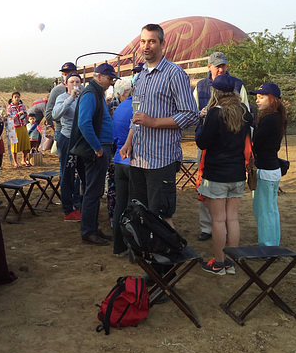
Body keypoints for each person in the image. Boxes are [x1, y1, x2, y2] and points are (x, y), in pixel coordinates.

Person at [120, 24, 199, 228]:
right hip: (138, 158)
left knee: (162, 216)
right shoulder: (140, 77)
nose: (146, 46)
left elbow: (190, 115)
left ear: (162, 43)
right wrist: (129, 141)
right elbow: (136, 115)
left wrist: (154, 122)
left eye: (152, 41)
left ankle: (164, 257)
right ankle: (146, 256)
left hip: (161, 159)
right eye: (143, 41)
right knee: (139, 212)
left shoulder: (175, 74)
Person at [196, 75, 252, 275]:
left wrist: (203, 121)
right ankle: (231, 261)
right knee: (233, 219)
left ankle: (218, 263)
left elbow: (203, 143)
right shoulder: (244, 112)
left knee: (218, 221)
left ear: (216, 92)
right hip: (237, 173)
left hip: (216, 174)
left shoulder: (214, 113)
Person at [193, 52, 250, 242]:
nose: (220, 68)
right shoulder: (200, 86)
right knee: (205, 183)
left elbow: (246, 114)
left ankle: (220, 229)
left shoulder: (238, 84)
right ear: (209, 66)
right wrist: (201, 115)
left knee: (215, 184)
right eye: (217, 65)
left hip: (229, 143)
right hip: (209, 141)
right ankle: (207, 227)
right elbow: (192, 112)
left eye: (223, 65)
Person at [69, 63, 117, 245]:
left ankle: (93, 229)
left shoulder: (95, 93)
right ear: (98, 76)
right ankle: (88, 231)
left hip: (100, 147)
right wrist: (97, 147)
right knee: (92, 191)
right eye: (109, 78)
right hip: (97, 149)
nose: (111, 82)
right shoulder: (90, 94)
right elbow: (84, 123)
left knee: (95, 191)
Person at [250, 82, 287, 247]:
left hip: (266, 168)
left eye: (261, 97)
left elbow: (256, 144)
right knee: (269, 209)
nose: (257, 100)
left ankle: (268, 246)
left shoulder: (270, 119)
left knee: (265, 210)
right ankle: (272, 243)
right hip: (271, 168)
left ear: (272, 99)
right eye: (257, 97)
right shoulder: (275, 117)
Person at [51, 72, 83, 221]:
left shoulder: (84, 97)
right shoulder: (62, 98)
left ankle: (83, 206)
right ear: (66, 84)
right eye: (72, 82)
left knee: (85, 174)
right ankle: (68, 210)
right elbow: (55, 115)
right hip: (68, 139)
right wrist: (71, 98)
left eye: (77, 81)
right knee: (68, 175)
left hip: (82, 140)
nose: (75, 84)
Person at [111, 77, 134, 256]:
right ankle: (134, 247)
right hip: (134, 161)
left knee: (120, 204)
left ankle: (118, 246)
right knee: (134, 206)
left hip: (119, 161)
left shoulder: (118, 109)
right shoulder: (137, 108)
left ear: (119, 94)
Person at [7, 91, 30, 167]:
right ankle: (15, 162)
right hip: (14, 128)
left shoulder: (22, 106)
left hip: (23, 126)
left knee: (25, 144)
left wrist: (26, 115)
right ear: (12, 98)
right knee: (14, 145)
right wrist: (17, 114)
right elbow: (10, 119)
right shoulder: (9, 108)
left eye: (18, 97)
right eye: (15, 97)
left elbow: (27, 116)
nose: (17, 99)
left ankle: (23, 160)